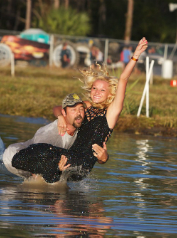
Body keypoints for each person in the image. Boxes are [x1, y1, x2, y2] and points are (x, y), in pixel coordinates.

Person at [14, 37, 149, 182]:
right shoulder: (86, 106)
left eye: (102, 90)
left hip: (81, 165)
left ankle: (51, 176)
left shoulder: (111, 113)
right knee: (24, 155)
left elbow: (123, 79)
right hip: (68, 156)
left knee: (46, 155)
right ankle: (45, 177)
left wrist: (135, 56)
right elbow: (59, 108)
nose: (96, 92)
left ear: (110, 94)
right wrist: (60, 116)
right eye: (94, 88)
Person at [0, 90, 106, 183]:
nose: (79, 114)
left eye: (81, 110)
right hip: (12, 161)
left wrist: (102, 157)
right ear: (65, 113)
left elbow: (64, 107)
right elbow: (33, 155)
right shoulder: (52, 134)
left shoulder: (77, 124)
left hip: (13, 154)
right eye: (74, 110)